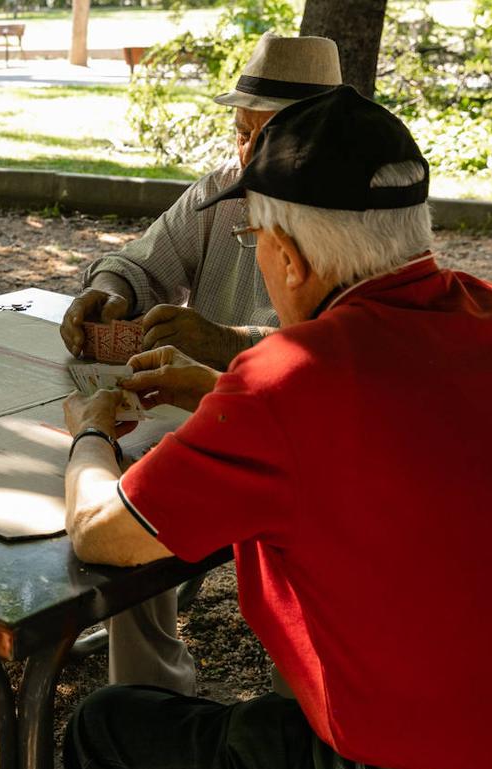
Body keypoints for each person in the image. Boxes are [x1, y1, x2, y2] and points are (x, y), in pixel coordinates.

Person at [59, 86, 492, 769]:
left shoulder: (291, 379)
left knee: (105, 734)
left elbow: (102, 531)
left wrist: (90, 433)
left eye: (254, 240)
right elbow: (400, 428)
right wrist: (215, 388)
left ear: (291, 258)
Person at [62, 31, 343, 695]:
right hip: (216, 409)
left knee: (114, 487)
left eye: (262, 135)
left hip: (296, 439)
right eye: (240, 131)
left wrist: (225, 341)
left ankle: (289, 714)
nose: (246, 151)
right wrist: (109, 291)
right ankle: (148, 685)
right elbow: (142, 257)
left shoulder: (345, 220)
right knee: (133, 483)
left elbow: (332, 355)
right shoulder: (223, 188)